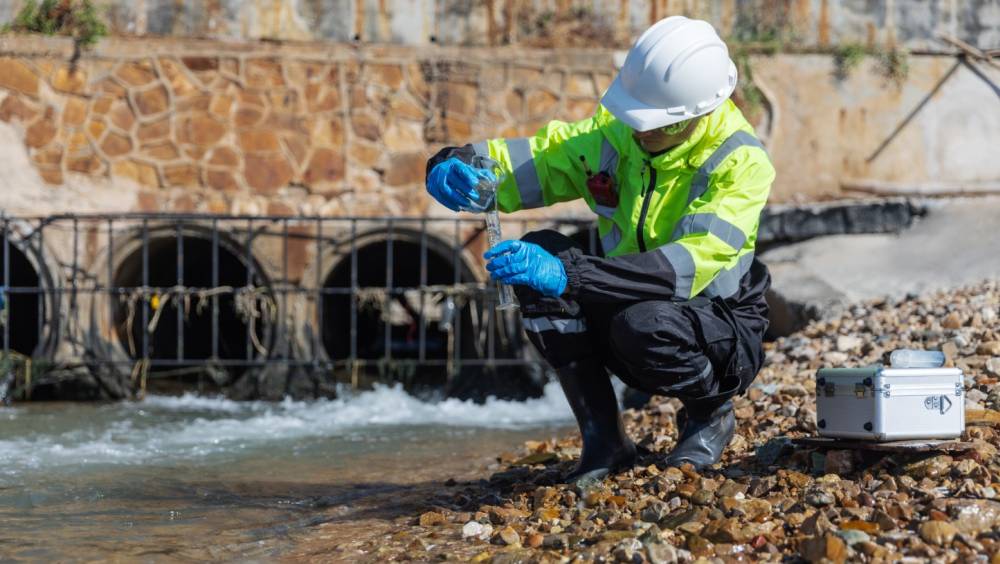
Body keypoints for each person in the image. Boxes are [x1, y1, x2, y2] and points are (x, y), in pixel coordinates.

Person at [424, 16, 774, 480]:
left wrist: (573, 275)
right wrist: (457, 160)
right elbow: (540, 159)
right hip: (631, 304)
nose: (637, 130)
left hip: (717, 327)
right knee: (541, 253)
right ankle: (604, 439)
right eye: (633, 117)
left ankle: (709, 413)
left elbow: (686, 268)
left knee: (644, 322)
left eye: (653, 123)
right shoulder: (618, 135)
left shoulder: (740, 162)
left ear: (698, 112)